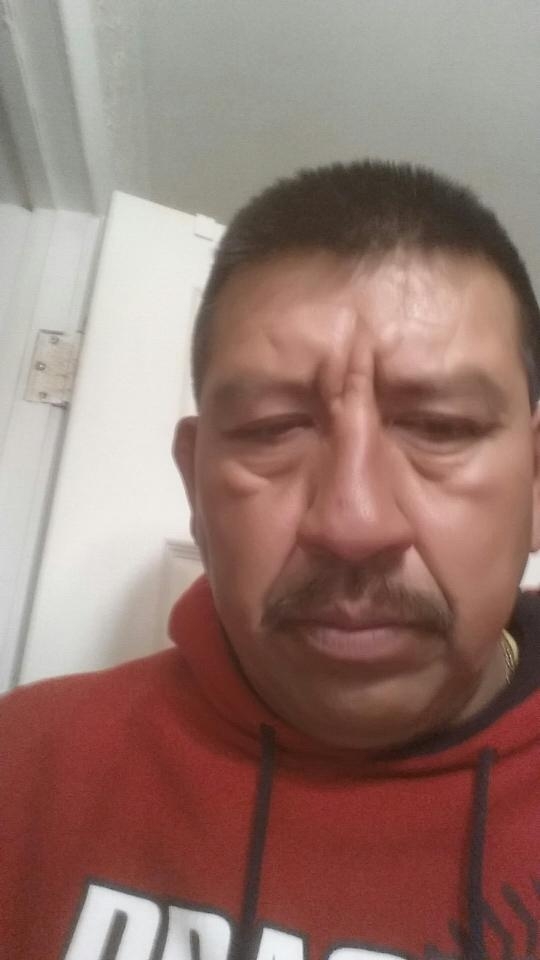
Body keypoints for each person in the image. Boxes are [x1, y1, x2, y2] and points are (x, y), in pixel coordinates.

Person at [1, 161, 539, 960]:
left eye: (442, 427)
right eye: (271, 429)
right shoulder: (21, 768)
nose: (353, 523)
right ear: (194, 482)